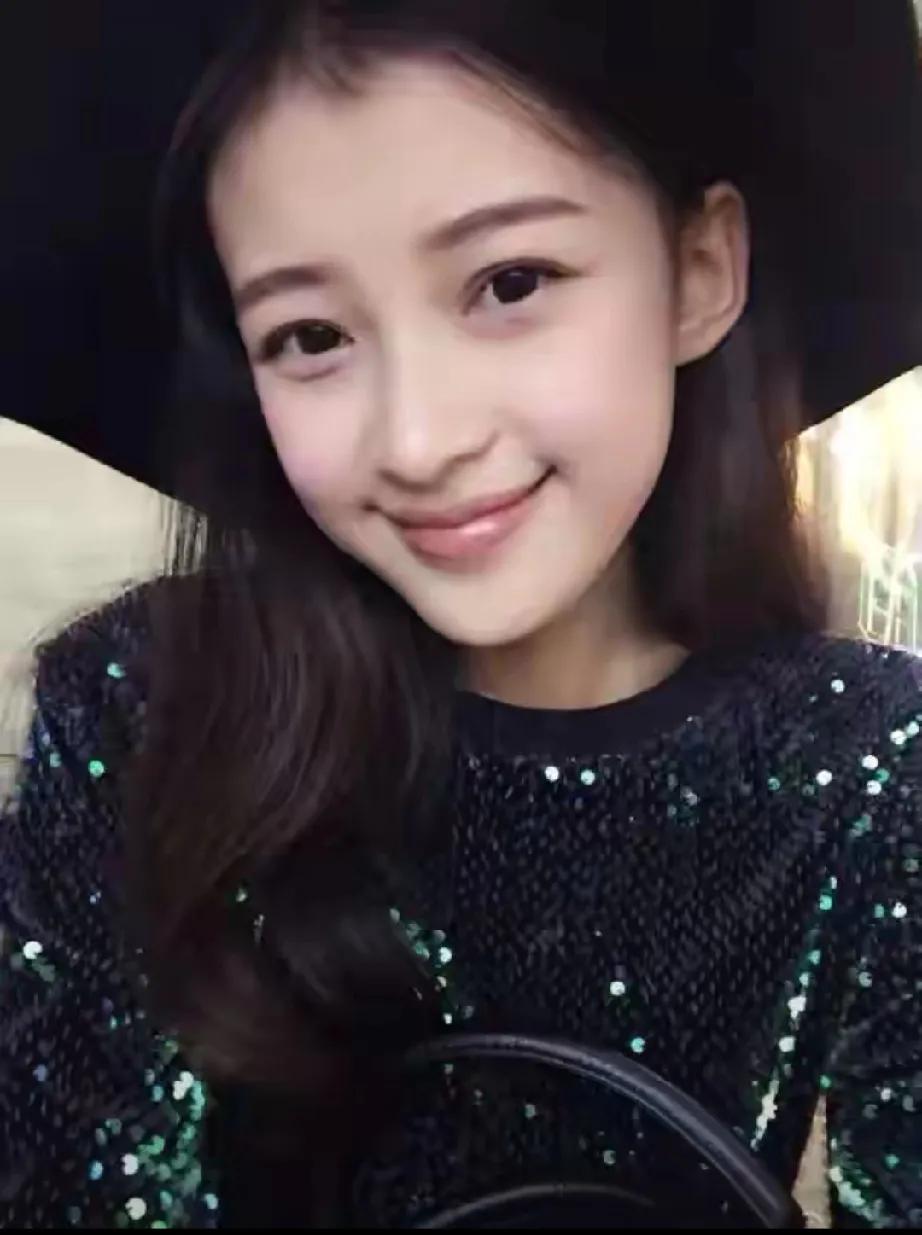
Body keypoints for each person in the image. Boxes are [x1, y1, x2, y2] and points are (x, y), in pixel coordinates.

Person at [1, 1, 921, 1227]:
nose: (420, 439)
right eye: (310, 335)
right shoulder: (142, 705)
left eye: (509, 282)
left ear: (699, 273)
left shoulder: (868, 761)